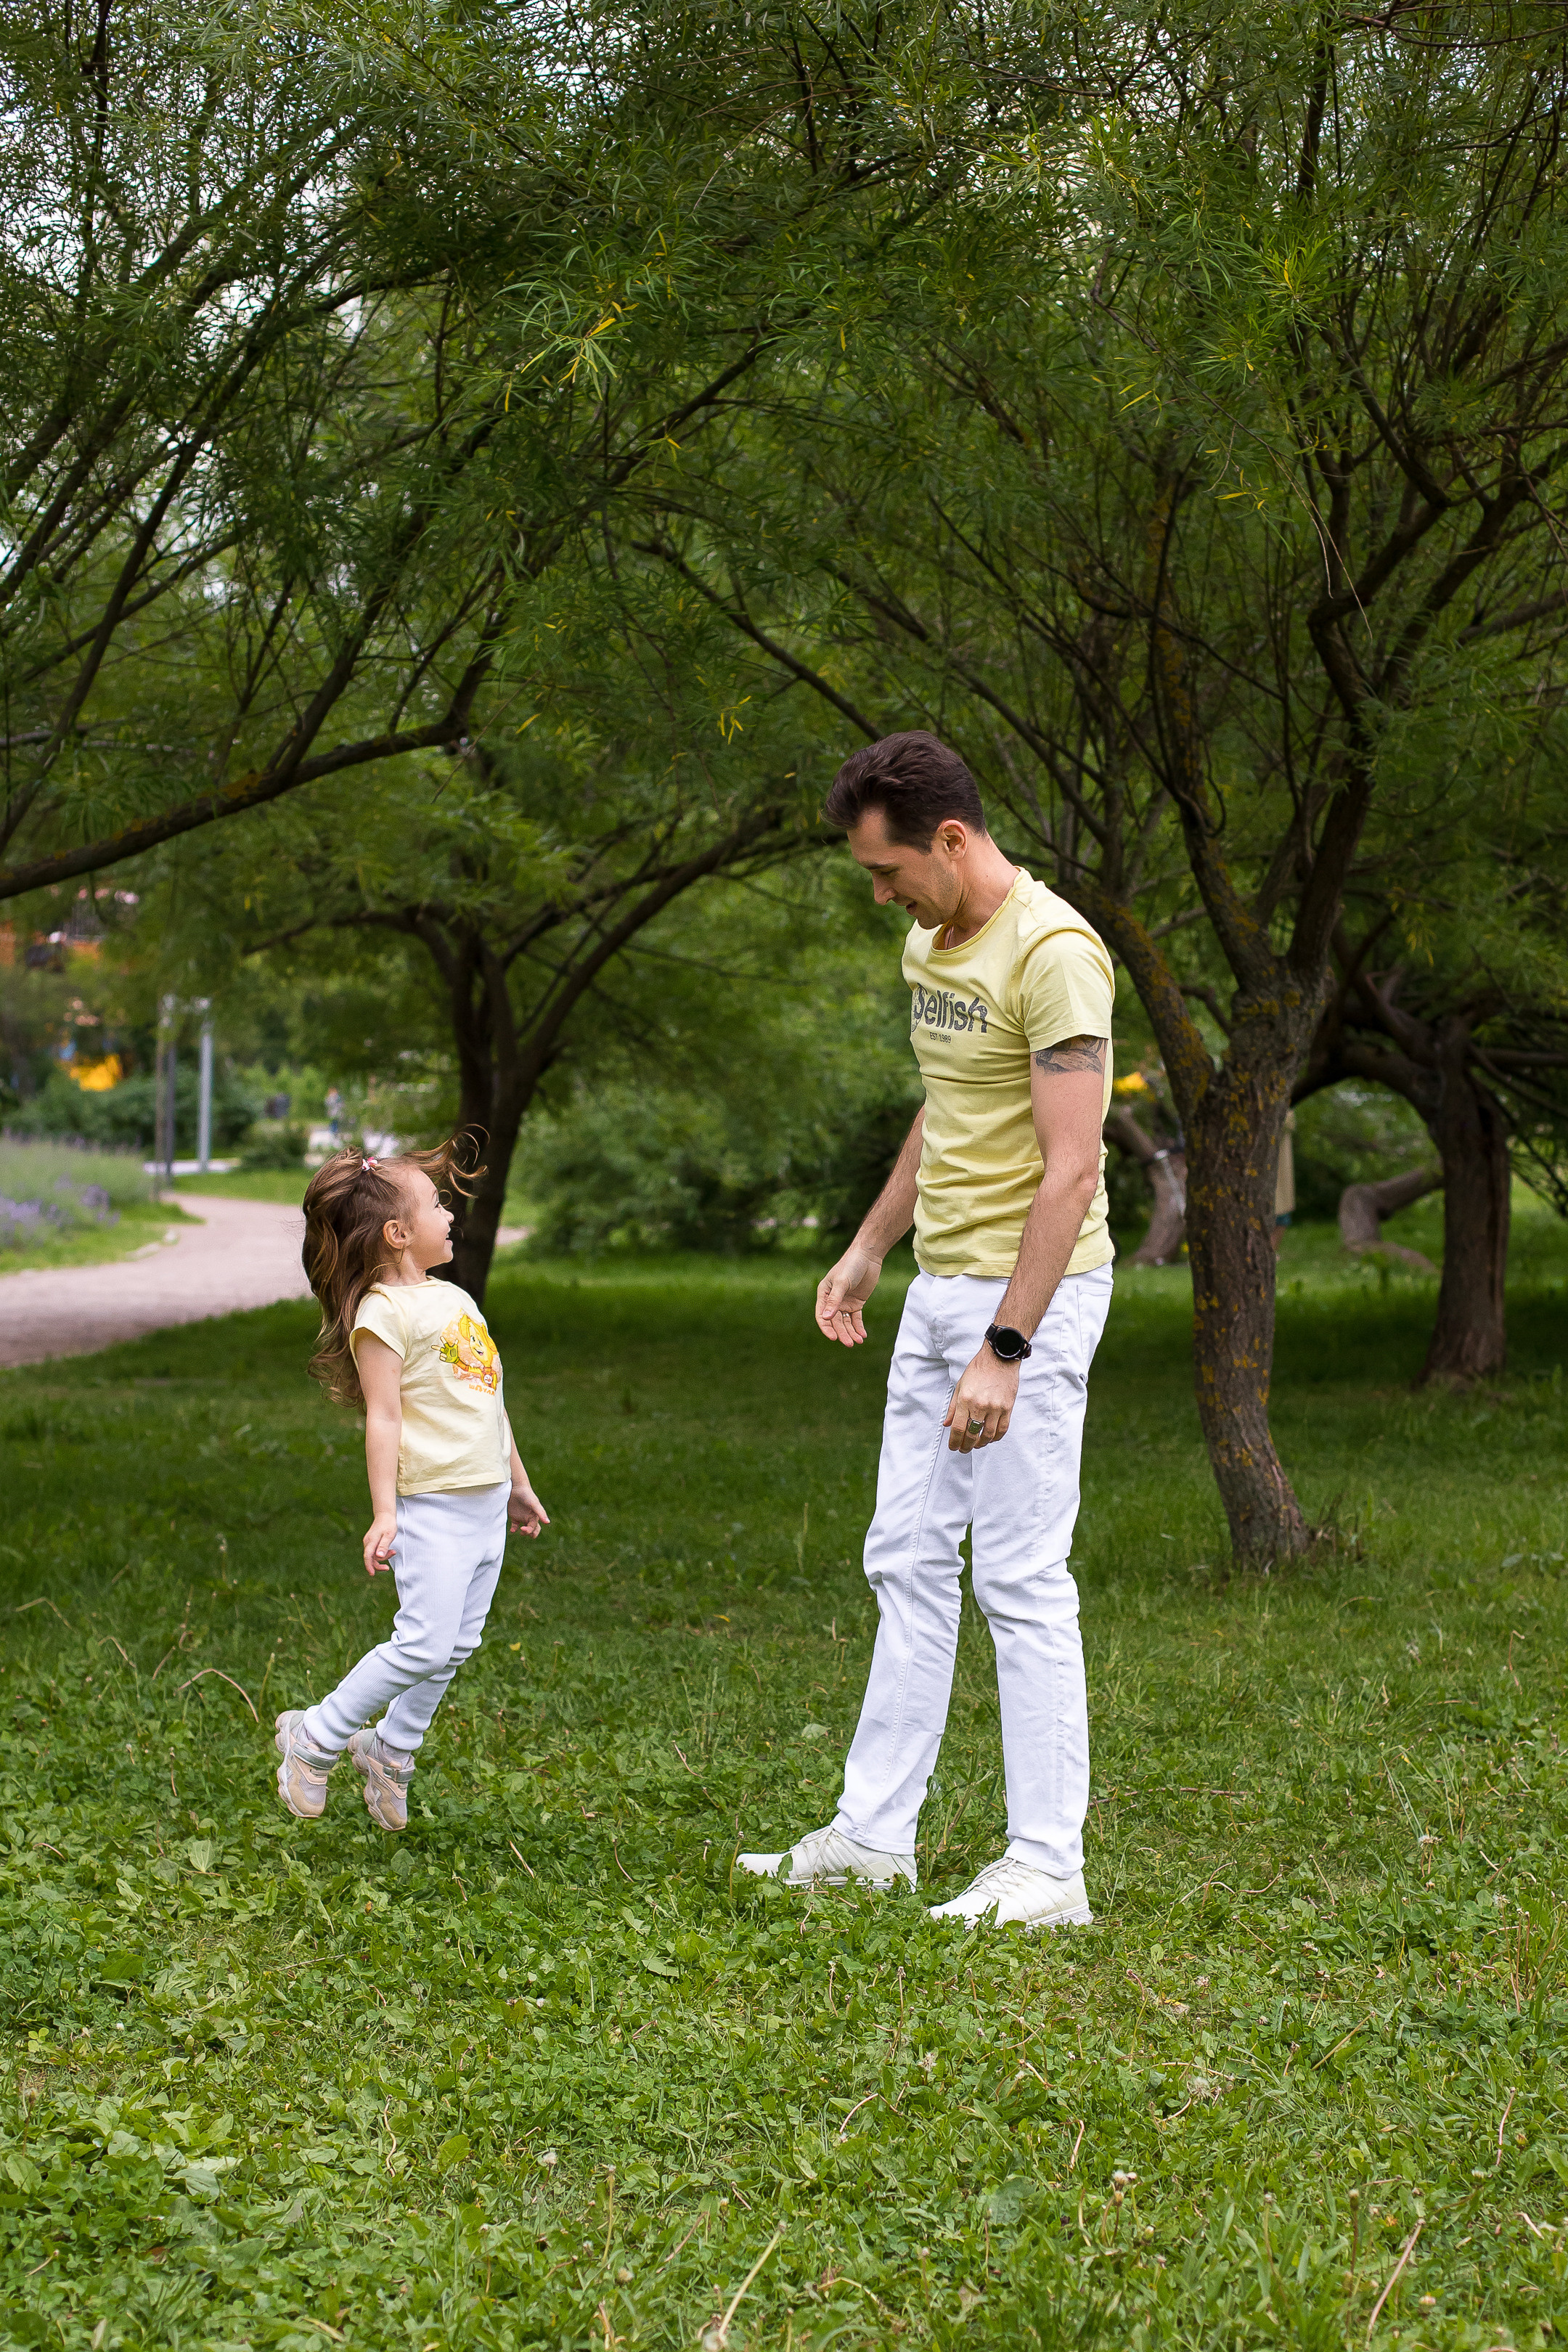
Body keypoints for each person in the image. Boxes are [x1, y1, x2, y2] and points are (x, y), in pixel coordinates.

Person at [739, 732, 1116, 1931]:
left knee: (1016, 1573)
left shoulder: (1054, 955)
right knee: (904, 1556)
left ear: (951, 841)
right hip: (941, 1284)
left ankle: (1048, 1867)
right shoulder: (930, 944)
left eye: (889, 869)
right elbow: (947, 1113)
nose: (881, 892)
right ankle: (870, 1841)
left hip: (1029, 1298)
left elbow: (1070, 1171)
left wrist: (1007, 1349)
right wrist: (869, 1242)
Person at [274, 1146, 549, 1830]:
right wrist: (385, 1513)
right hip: (431, 1504)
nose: (450, 1213)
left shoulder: (454, 1299)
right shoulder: (383, 1315)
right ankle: (315, 1736)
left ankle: (391, 1750)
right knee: (425, 1642)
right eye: (437, 1205)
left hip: (483, 1500)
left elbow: (490, 1398)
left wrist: (517, 1483)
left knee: (457, 1643)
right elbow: (384, 1417)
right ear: (398, 1234)